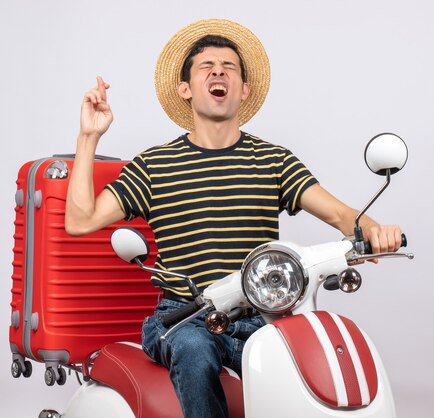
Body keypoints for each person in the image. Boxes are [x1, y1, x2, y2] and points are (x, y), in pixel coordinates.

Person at [65, 19, 403, 418]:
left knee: (315, 355)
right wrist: (89, 136)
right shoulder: (154, 165)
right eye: (206, 66)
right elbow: (81, 219)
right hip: (184, 317)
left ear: (243, 89)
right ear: (185, 89)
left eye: (230, 66)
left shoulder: (274, 161)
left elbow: (341, 213)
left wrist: (374, 229)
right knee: (194, 351)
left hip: (262, 315)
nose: (219, 71)